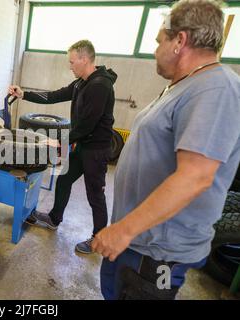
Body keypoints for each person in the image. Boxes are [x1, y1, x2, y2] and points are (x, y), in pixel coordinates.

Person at [91, 0, 240, 300]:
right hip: (138, 244)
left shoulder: (215, 89)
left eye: (160, 41)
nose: (155, 50)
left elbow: (195, 177)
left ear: (180, 41)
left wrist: (124, 230)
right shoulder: (185, 85)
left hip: (157, 255)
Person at [9, 40, 118, 253]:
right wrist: (24, 94)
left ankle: (98, 239)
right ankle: (54, 218)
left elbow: (88, 124)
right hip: (82, 145)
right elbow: (55, 95)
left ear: (84, 59)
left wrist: (60, 141)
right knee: (64, 179)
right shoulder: (81, 83)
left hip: (96, 150)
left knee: (95, 194)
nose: (70, 66)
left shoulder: (100, 85)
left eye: (72, 62)